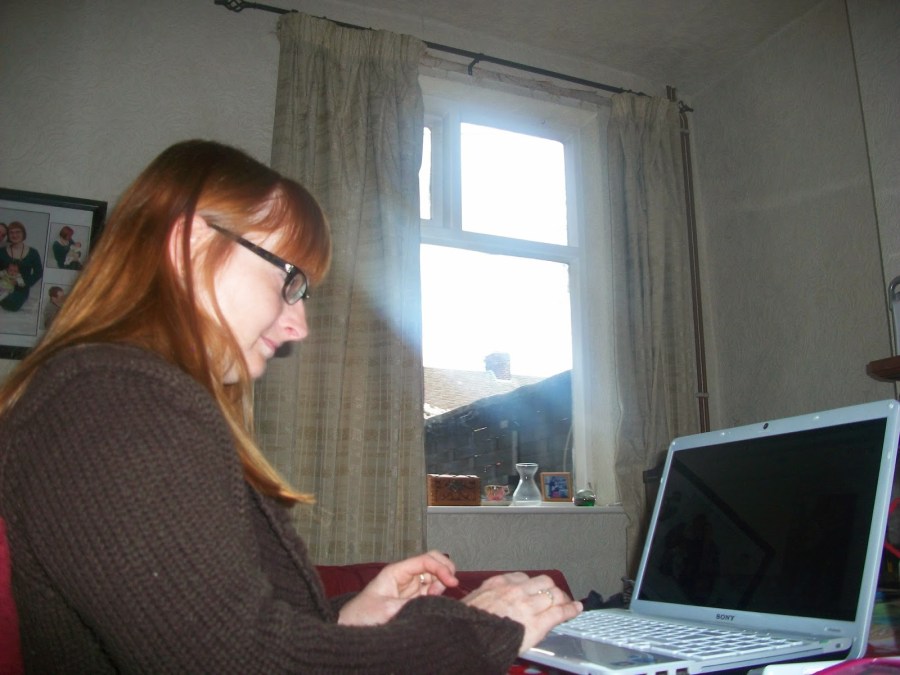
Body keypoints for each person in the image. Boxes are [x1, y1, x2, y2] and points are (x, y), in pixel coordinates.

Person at [0, 140, 581, 673]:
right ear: (190, 242)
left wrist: (348, 619)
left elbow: (215, 638)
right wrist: (481, 629)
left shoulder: (109, 396)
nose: (298, 324)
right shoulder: (111, 399)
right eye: (289, 281)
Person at [0, 221, 43, 312]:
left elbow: (38, 273)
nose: (14, 235)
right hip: (3, 286)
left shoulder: (33, 253)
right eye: (11, 233)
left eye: (18, 232)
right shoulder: (2, 251)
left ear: (23, 233)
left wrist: (24, 283)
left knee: (11, 305)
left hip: (21, 289)